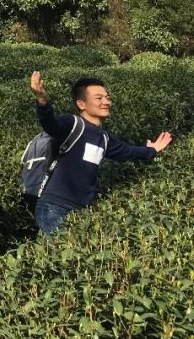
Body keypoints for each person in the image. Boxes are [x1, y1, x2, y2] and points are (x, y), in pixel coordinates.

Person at [30, 71, 173, 236]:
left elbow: (128, 151)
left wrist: (152, 150)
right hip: (54, 208)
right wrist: (42, 101)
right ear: (81, 104)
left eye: (107, 97)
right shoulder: (72, 124)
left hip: (81, 210)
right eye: (99, 98)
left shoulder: (103, 138)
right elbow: (51, 124)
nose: (106, 102)